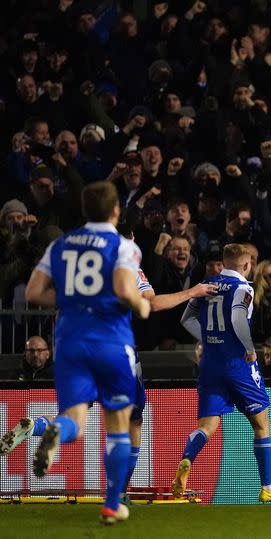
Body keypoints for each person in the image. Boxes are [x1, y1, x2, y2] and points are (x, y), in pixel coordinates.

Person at [23, 182, 151, 525]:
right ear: (115, 212)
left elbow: (34, 293)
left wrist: (70, 301)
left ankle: (55, 433)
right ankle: (111, 505)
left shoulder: (59, 245)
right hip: (111, 342)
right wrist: (140, 304)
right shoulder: (123, 246)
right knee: (119, 425)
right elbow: (126, 289)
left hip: (69, 343)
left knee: (75, 421)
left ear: (84, 210)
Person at [174, 243, 271, 504]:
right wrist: (249, 348)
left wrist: (208, 338)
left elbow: (186, 319)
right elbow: (238, 319)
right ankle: (268, 487)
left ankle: (186, 459)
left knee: (207, 425)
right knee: (261, 425)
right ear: (247, 265)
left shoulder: (206, 285)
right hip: (237, 364)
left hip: (210, 364)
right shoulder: (243, 288)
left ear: (224, 263)